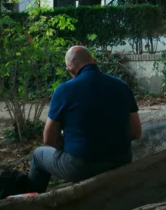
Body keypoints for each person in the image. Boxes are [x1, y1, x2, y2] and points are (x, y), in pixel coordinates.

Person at [25, 45, 142, 194]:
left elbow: (48, 140)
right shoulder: (122, 86)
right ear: (94, 61)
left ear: (70, 69)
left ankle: (33, 203)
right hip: (121, 160)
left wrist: (70, 143)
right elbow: (136, 132)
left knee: (38, 155)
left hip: (81, 167)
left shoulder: (64, 90)